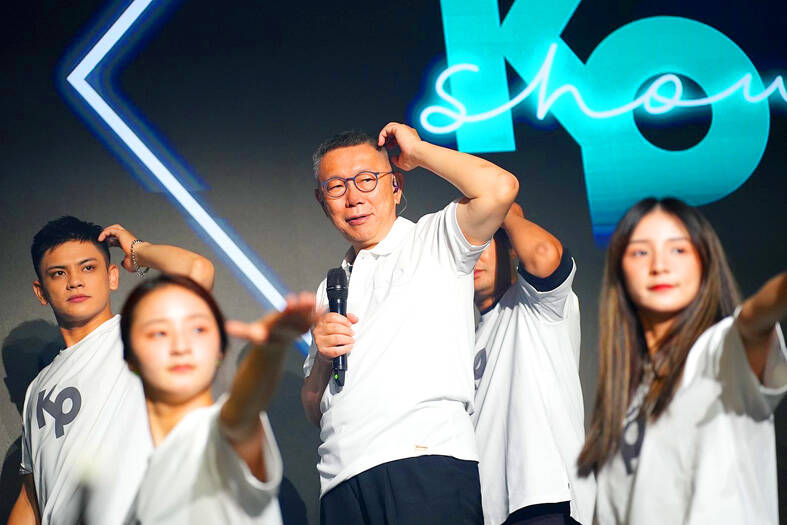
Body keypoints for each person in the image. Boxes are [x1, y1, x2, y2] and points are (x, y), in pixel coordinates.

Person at [301, 122, 519, 524]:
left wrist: (417, 152)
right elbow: (316, 408)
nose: (353, 198)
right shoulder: (329, 289)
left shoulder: (434, 240)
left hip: (423, 460)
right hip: (339, 479)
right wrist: (322, 361)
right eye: (336, 187)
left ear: (396, 186)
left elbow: (499, 188)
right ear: (321, 200)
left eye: (367, 180)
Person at [576, 198, 786, 524]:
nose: (660, 265)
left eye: (678, 249)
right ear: (619, 269)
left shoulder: (723, 351)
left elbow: (757, 315)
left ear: (705, 260)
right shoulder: (625, 398)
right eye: (640, 252)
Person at [9, 217, 215, 525]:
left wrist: (137, 250)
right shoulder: (37, 389)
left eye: (88, 268)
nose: (75, 281)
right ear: (41, 292)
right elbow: (31, 498)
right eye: (59, 273)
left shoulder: (139, 336)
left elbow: (198, 271)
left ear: (112, 276)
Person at [119, 274, 316, 524]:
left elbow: (239, 417)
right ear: (130, 356)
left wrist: (270, 348)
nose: (181, 346)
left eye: (198, 329)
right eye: (159, 333)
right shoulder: (135, 479)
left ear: (220, 350)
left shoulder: (216, 431)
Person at [471, 203, 595, 525]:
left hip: (544, 502)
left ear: (510, 247)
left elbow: (543, 254)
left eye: (485, 241)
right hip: (492, 513)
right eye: (468, 246)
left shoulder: (538, 305)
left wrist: (503, 210)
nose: (474, 255)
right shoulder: (467, 341)